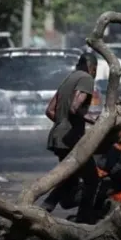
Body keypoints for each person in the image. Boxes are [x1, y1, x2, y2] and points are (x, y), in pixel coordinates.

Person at [40, 52, 100, 224]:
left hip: (58, 136)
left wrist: (62, 124)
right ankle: (84, 219)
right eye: (95, 70)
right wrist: (94, 120)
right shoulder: (87, 79)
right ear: (92, 67)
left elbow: (50, 110)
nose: (94, 74)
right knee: (92, 179)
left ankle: (45, 208)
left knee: (69, 178)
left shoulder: (69, 79)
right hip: (70, 140)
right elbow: (75, 107)